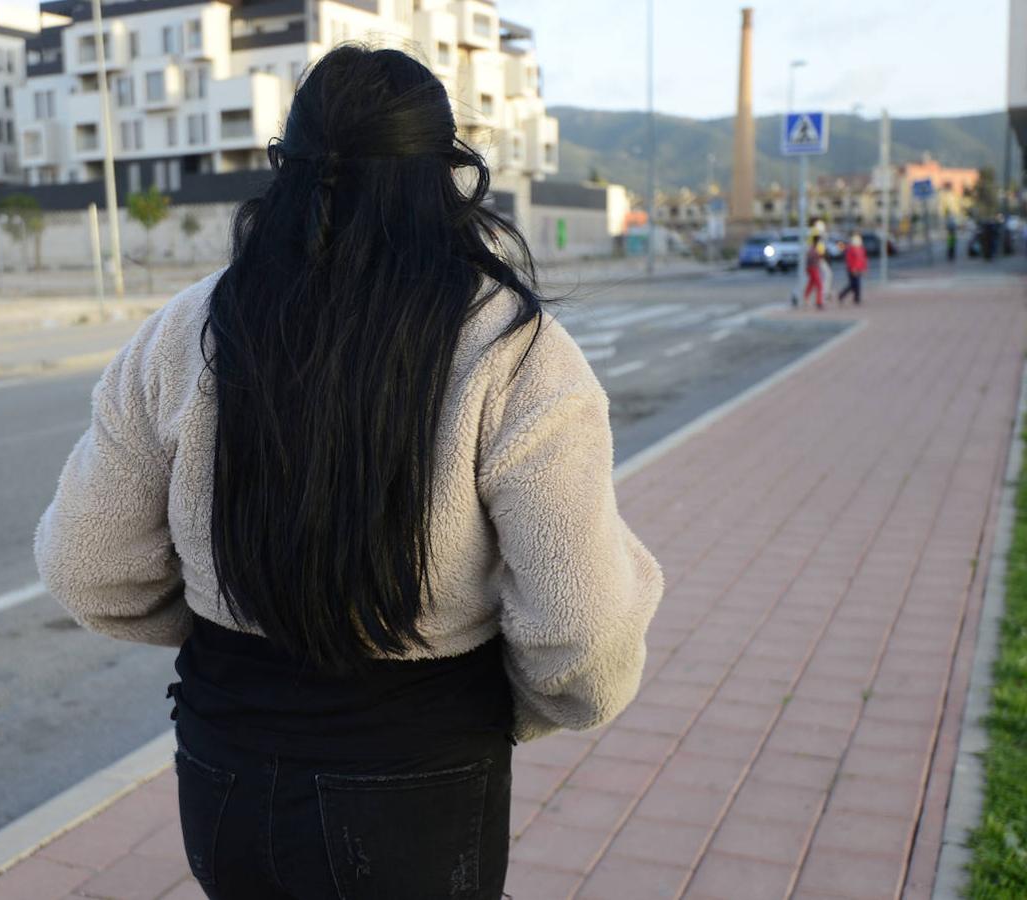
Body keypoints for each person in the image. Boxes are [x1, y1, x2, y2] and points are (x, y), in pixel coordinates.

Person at [34, 46, 663, 900]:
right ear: (444, 176)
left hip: (224, 773)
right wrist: (507, 706)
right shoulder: (515, 352)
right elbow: (580, 630)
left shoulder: (184, 331)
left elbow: (86, 562)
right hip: (419, 783)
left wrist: (234, 634)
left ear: (286, 169)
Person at [839, 232, 868, 305]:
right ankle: (842, 295)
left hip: (859, 269)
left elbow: (863, 259)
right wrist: (852, 268)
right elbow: (849, 260)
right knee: (853, 284)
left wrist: (864, 269)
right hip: (852, 269)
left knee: (857, 284)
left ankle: (856, 299)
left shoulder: (861, 249)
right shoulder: (850, 249)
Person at [803, 234, 825, 309]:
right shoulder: (812, 249)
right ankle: (819, 302)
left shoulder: (814, 248)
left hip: (813, 268)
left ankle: (805, 297)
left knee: (811, 284)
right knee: (819, 285)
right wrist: (819, 256)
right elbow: (811, 258)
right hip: (813, 268)